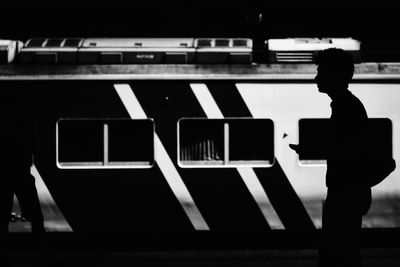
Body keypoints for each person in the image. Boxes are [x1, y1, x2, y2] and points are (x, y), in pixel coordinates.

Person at [289, 48, 371, 267]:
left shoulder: (346, 108)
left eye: (321, 72)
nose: (316, 78)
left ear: (334, 75)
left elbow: (346, 152)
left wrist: (313, 150)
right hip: (348, 193)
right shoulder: (348, 105)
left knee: (337, 254)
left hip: (345, 194)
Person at [0, 94, 45, 265]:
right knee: (36, 217)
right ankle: (44, 253)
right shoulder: (25, 120)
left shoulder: (3, 122)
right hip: (21, 174)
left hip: (3, 176)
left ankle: (3, 255)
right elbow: (34, 147)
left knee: (2, 219)